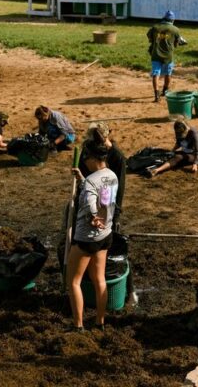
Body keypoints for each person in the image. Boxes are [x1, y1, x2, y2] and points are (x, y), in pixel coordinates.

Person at [67, 137, 119, 331]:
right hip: (105, 235)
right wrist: (81, 179)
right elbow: (104, 200)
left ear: (91, 157)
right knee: (99, 279)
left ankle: (78, 325)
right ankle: (100, 322)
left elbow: (90, 202)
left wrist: (93, 217)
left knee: (73, 282)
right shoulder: (111, 175)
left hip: (86, 238)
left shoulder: (91, 181)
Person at [78, 123, 126, 231]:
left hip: (105, 201)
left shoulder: (117, 157)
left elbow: (119, 188)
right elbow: (82, 174)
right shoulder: (88, 151)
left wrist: (116, 216)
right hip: (87, 196)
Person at [147, 10, 182, 102]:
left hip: (156, 54)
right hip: (168, 56)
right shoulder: (175, 30)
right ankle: (165, 91)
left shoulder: (155, 27)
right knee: (167, 73)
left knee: (155, 74)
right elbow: (176, 44)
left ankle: (156, 95)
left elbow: (149, 38)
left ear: (164, 18)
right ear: (172, 20)